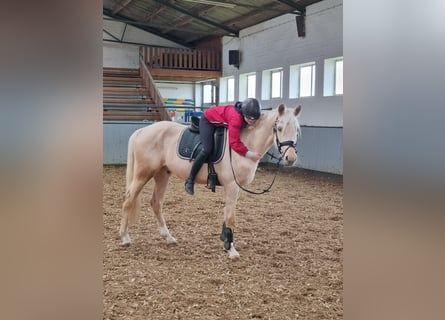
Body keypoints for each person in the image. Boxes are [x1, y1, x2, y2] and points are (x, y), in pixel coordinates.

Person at [184, 98, 262, 195]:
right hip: (208, 120)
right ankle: (190, 180)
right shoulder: (236, 119)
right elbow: (234, 142)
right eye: (249, 118)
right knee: (207, 149)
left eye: (254, 119)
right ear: (243, 113)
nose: (252, 121)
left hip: (220, 120)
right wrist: (250, 154)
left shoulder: (247, 115)